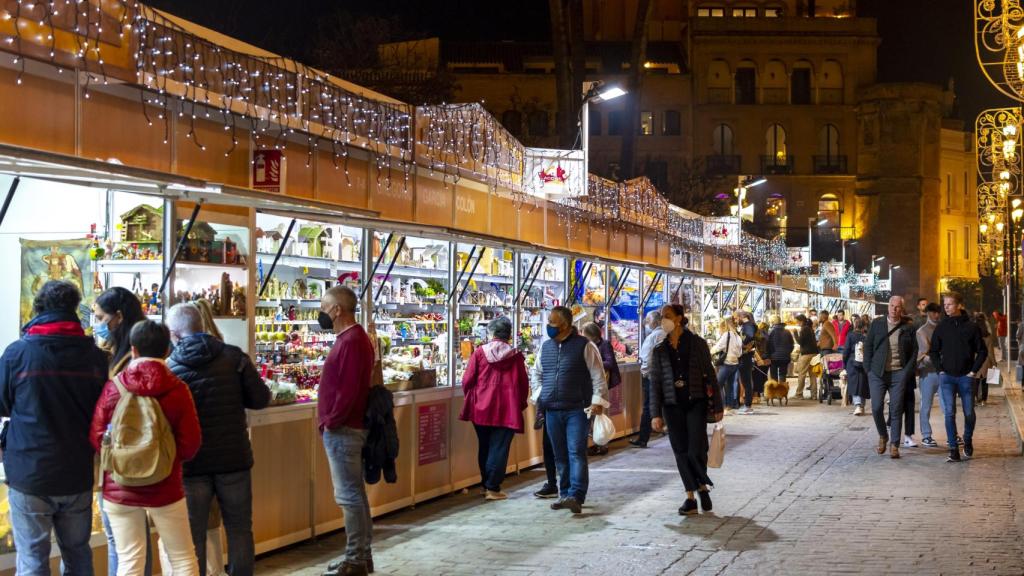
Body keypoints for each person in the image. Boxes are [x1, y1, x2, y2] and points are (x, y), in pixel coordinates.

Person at [0, 281, 107, 575]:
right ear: (74, 309)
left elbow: (2, 404)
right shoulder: (95, 357)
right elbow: (103, 410)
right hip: (77, 470)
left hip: (29, 471)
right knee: (77, 554)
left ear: (39, 308)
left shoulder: (18, 353)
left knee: (32, 557)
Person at [90, 320, 202, 576]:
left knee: (129, 559)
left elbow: (97, 436)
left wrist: (122, 459)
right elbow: (191, 444)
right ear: (167, 350)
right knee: (182, 557)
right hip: (166, 485)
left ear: (133, 350)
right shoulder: (177, 389)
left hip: (120, 486)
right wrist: (165, 459)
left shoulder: (114, 388)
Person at [166, 303, 270, 576]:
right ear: (201, 325)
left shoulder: (171, 368)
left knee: (194, 534)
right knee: (239, 529)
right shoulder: (234, 357)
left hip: (193, 463)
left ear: (175, 334)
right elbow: (260, 399)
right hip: (233, 459)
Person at [93, 287, 153, 576]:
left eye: (101, 317)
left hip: (125, 454)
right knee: (132, 538)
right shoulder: (118, 351)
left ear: (118, 317)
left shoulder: (129, 358)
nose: (98, 323)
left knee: (124, 539)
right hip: (127, 453)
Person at [317, 286, 375, 575]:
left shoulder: (351, 341)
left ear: (337, 310)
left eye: (324, 305)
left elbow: (349, 389)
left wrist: (331, 420)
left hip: (344, 429)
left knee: (348, 496)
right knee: (355, 495)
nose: (321, 311)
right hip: (346, 426)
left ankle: (355, 559)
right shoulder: (352, 338)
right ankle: (361, 555)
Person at [531, 306, 609, 515]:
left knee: (575, 451)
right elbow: (536, 373)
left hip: (578, 409)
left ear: (566, 325)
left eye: (552, 323)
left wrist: (596, 401)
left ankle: (576, 495)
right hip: (552, 410)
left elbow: (598, 375)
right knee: (560, 454)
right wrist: (541, 395)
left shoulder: (585, 346)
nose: (549, 327)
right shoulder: (545, 347)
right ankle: (564, 493)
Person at [649, 304, 722, 516]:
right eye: (662, 317)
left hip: (695, 402)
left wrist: (717, 405)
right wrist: (655, 414)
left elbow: (710, 374)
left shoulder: (697, 344)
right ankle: (691, 494)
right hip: (672, 406)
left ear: (680, 318)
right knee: (680, 451)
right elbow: (655, 384)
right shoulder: (660, 349)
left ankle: (702, 484)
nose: (664, 320)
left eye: (668, 316)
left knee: (696, 449)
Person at [459, 316, 529, 500]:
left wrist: (472, 395)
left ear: (491, 333)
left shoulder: (479, 353)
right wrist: (520, 403)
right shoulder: (515, 356)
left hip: (481, 407)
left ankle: (485, 485)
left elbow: (467, 380)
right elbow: (523, 384)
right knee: (499, 447)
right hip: (507, 409)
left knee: (485, 445)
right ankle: (492, 487)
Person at [929, 292, 987, 462]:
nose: (945, 307)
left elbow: (982, 351)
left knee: (969, 413)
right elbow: (933, 351)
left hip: (966, 377)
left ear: (959, 305)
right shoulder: (941, 327)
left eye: (950, 304)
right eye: (944, 304)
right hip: (947, 377)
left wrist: (973, 371)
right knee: (949, 413)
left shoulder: (971, 327)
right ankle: (953, 448)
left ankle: (967, 440)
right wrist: (940, 369)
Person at [863, 296, 917, 459]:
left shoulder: (908, 327)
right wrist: (868, 369)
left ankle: (894, 444)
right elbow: (868, 346)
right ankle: (883, 435)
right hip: (878, 373)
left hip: (898, 373)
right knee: (877, 407)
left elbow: (915, 351)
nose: (894, 309)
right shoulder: (877, 324)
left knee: (896, 408)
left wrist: (907, 371)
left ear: (902, 309)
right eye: (892, 306)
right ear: (888, 307)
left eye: (898, 307)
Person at [582, 322, 620, 456]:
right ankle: (597, 443)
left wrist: (594, 363)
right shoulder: (589, 346)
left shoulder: (604, 345)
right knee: (592, 415)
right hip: (593, 384)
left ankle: (602, 444)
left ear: (591, 335)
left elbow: (610, 362)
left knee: (598, 414)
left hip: (603, 383)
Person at [632, 310, 666, 448]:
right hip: (663, 376)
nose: (646, 322)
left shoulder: (654, 336)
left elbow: (646, 358)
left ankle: (643, 438)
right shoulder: (665, 334)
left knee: (648, 406)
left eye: (648, 320)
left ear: (656, 321)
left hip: (652, 376)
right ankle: (660, 428)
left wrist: (645, 373)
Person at [916, 302, 944, 448]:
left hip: (942, 372)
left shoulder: (943, 328)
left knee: (947, 406)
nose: (936, 315)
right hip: (928, 373)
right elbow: (923, 354)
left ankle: (952, 434)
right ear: (928, 313)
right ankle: (926, 435)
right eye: (933, 312)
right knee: (926, 405)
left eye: (938, 312)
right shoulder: (922, 331)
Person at [710, 317, 742, 413]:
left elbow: (718, 347)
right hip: (735, 364)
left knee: (718, 385)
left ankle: (721, 406)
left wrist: (711, 350)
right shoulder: (737, 336)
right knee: (730, 385)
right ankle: (729, 406)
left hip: (727, 364)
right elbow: (740, 353)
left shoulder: (726, 335)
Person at [843, 316, 868, 415]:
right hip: (863, 363)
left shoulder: (850, 336)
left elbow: (846, 351)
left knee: (854, 383)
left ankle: (857, 405)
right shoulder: (866, 337)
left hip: (852, 362)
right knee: (862, 384)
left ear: (854, 325)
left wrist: (844, 364)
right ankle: (862, 405)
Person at [972, 312, 997, 407]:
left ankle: (974, 399)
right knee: (985, 382)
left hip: (975, 361)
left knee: (975, 381)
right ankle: (983, 400)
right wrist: (994, 363)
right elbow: (990, 352)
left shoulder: (972, 336)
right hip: (986, 361)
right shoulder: (988, 337)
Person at [736, 311, 758, 415]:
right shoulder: (748, 325)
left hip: (746, 357)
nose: (736, 320)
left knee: (746, 382)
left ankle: (747, 405)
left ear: (742, 316)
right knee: (746, 381)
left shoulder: (748, 325)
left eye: (736, 318)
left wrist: (741, 344)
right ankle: (747, 405)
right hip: (746, 357)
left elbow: (750, 336)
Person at [794, 315, 819, 400]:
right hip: (814, 354)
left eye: (797, 321)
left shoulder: (804, 329)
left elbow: (800, 342)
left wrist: (795, 333)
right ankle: (814, 395)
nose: (797, 323)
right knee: (813, 375)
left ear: (801, 321)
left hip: (806, 355)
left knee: (802, 374)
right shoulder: (810, 328)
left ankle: (799, 394)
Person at [766, 315, 794, 384]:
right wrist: (787, 352)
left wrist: (769, 355)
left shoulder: (771, 332)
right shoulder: (787, 332)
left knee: (774, 376)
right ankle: (781, 392)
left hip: (774, 358)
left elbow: (768, 345)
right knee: (782, 375)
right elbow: (792, 344)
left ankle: (775, 392)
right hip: (785, 357)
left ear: (772, 322)